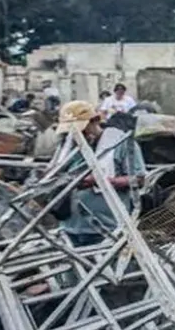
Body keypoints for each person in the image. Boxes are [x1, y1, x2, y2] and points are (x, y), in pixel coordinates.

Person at [53, 101, 147, 248]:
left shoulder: (120, 143)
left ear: (95, 121)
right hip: (70, 226)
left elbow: (139, 179)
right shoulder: (68, 146)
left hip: (108, 228)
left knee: (108, 268)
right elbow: (56, 173)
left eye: (82, 129)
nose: (79, 135)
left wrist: (102, 181)